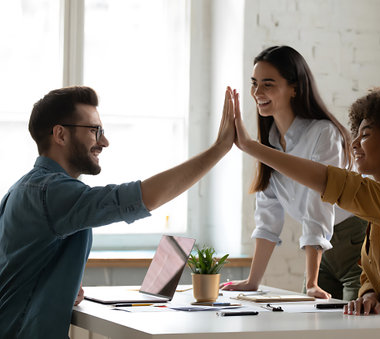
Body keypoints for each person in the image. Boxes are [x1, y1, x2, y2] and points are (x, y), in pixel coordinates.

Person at [0, 85, 235, 338]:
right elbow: (145, 197)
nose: (104, 141)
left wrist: (57, 288)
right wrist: (220, 148)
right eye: (94, 130)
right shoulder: (53, 192)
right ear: (60, 134)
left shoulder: (23, 189)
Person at [232, 85, 380, 318]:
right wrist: (369, 295)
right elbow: (369, 275)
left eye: (365, 135)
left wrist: (251, 146)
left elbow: (332, 181)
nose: (354, 143)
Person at [221, 46, 367, 300]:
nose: (257, 93)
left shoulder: (324, 133)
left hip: (357, 244)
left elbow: (319, 204)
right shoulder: (271, 141)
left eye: (268, 84)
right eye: (254, 83)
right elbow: (268, 216)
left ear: (294, 88)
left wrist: (311, 281)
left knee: (355, 327)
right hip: (321, 248)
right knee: (312, 323)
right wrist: (252, 282)